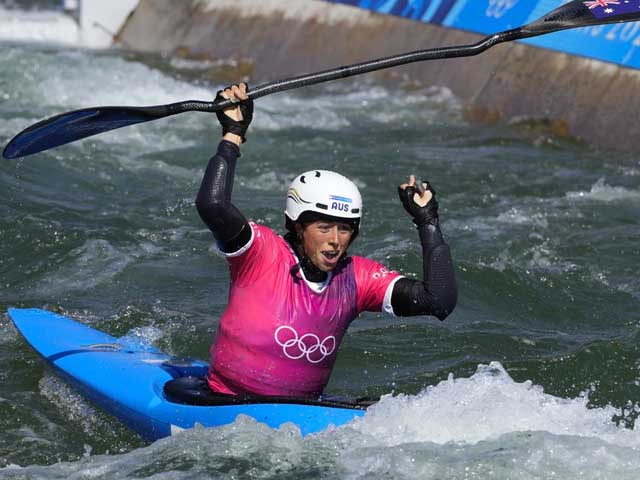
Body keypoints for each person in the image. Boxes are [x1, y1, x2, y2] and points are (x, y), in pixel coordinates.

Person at [196, 83, 457, 398]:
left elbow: (438, 302)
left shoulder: (358, 279)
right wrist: (233, 134)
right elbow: (213, 205)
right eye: (323, 227)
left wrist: (427, 221)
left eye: (345, 229)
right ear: (297, 226)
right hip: (222, 399)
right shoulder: (261, 253)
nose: (335, 241)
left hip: (301, 416)